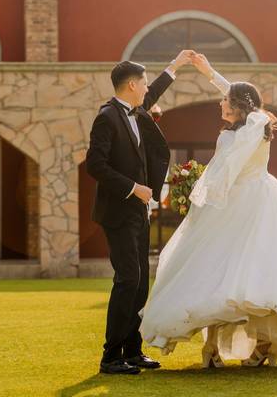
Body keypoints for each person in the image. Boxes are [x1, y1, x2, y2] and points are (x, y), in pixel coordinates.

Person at [139, 53, 277, 368]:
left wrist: (209, 187)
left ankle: (263, 347)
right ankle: (213, 349)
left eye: (225, 101)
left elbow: (233, 162)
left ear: (238, 105)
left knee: (261, 273)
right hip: (228, 204)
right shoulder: (237, 126)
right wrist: (209, 72)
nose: (221, 103)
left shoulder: (256, 123)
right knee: (215, 273)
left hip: (255, 202)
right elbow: (237, 98)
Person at [86, 50, 194, 375]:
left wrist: (175, 66)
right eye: (144, 83)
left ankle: (132, 351)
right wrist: (134, 188)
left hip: (140, 211)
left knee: (141, 282)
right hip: (118, 211)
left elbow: (157, 90)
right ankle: (111, 357)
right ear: (132, 85)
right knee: (128, 280)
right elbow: (95, 164)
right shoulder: (107, 117)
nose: (148, 88)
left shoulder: (135, 111)